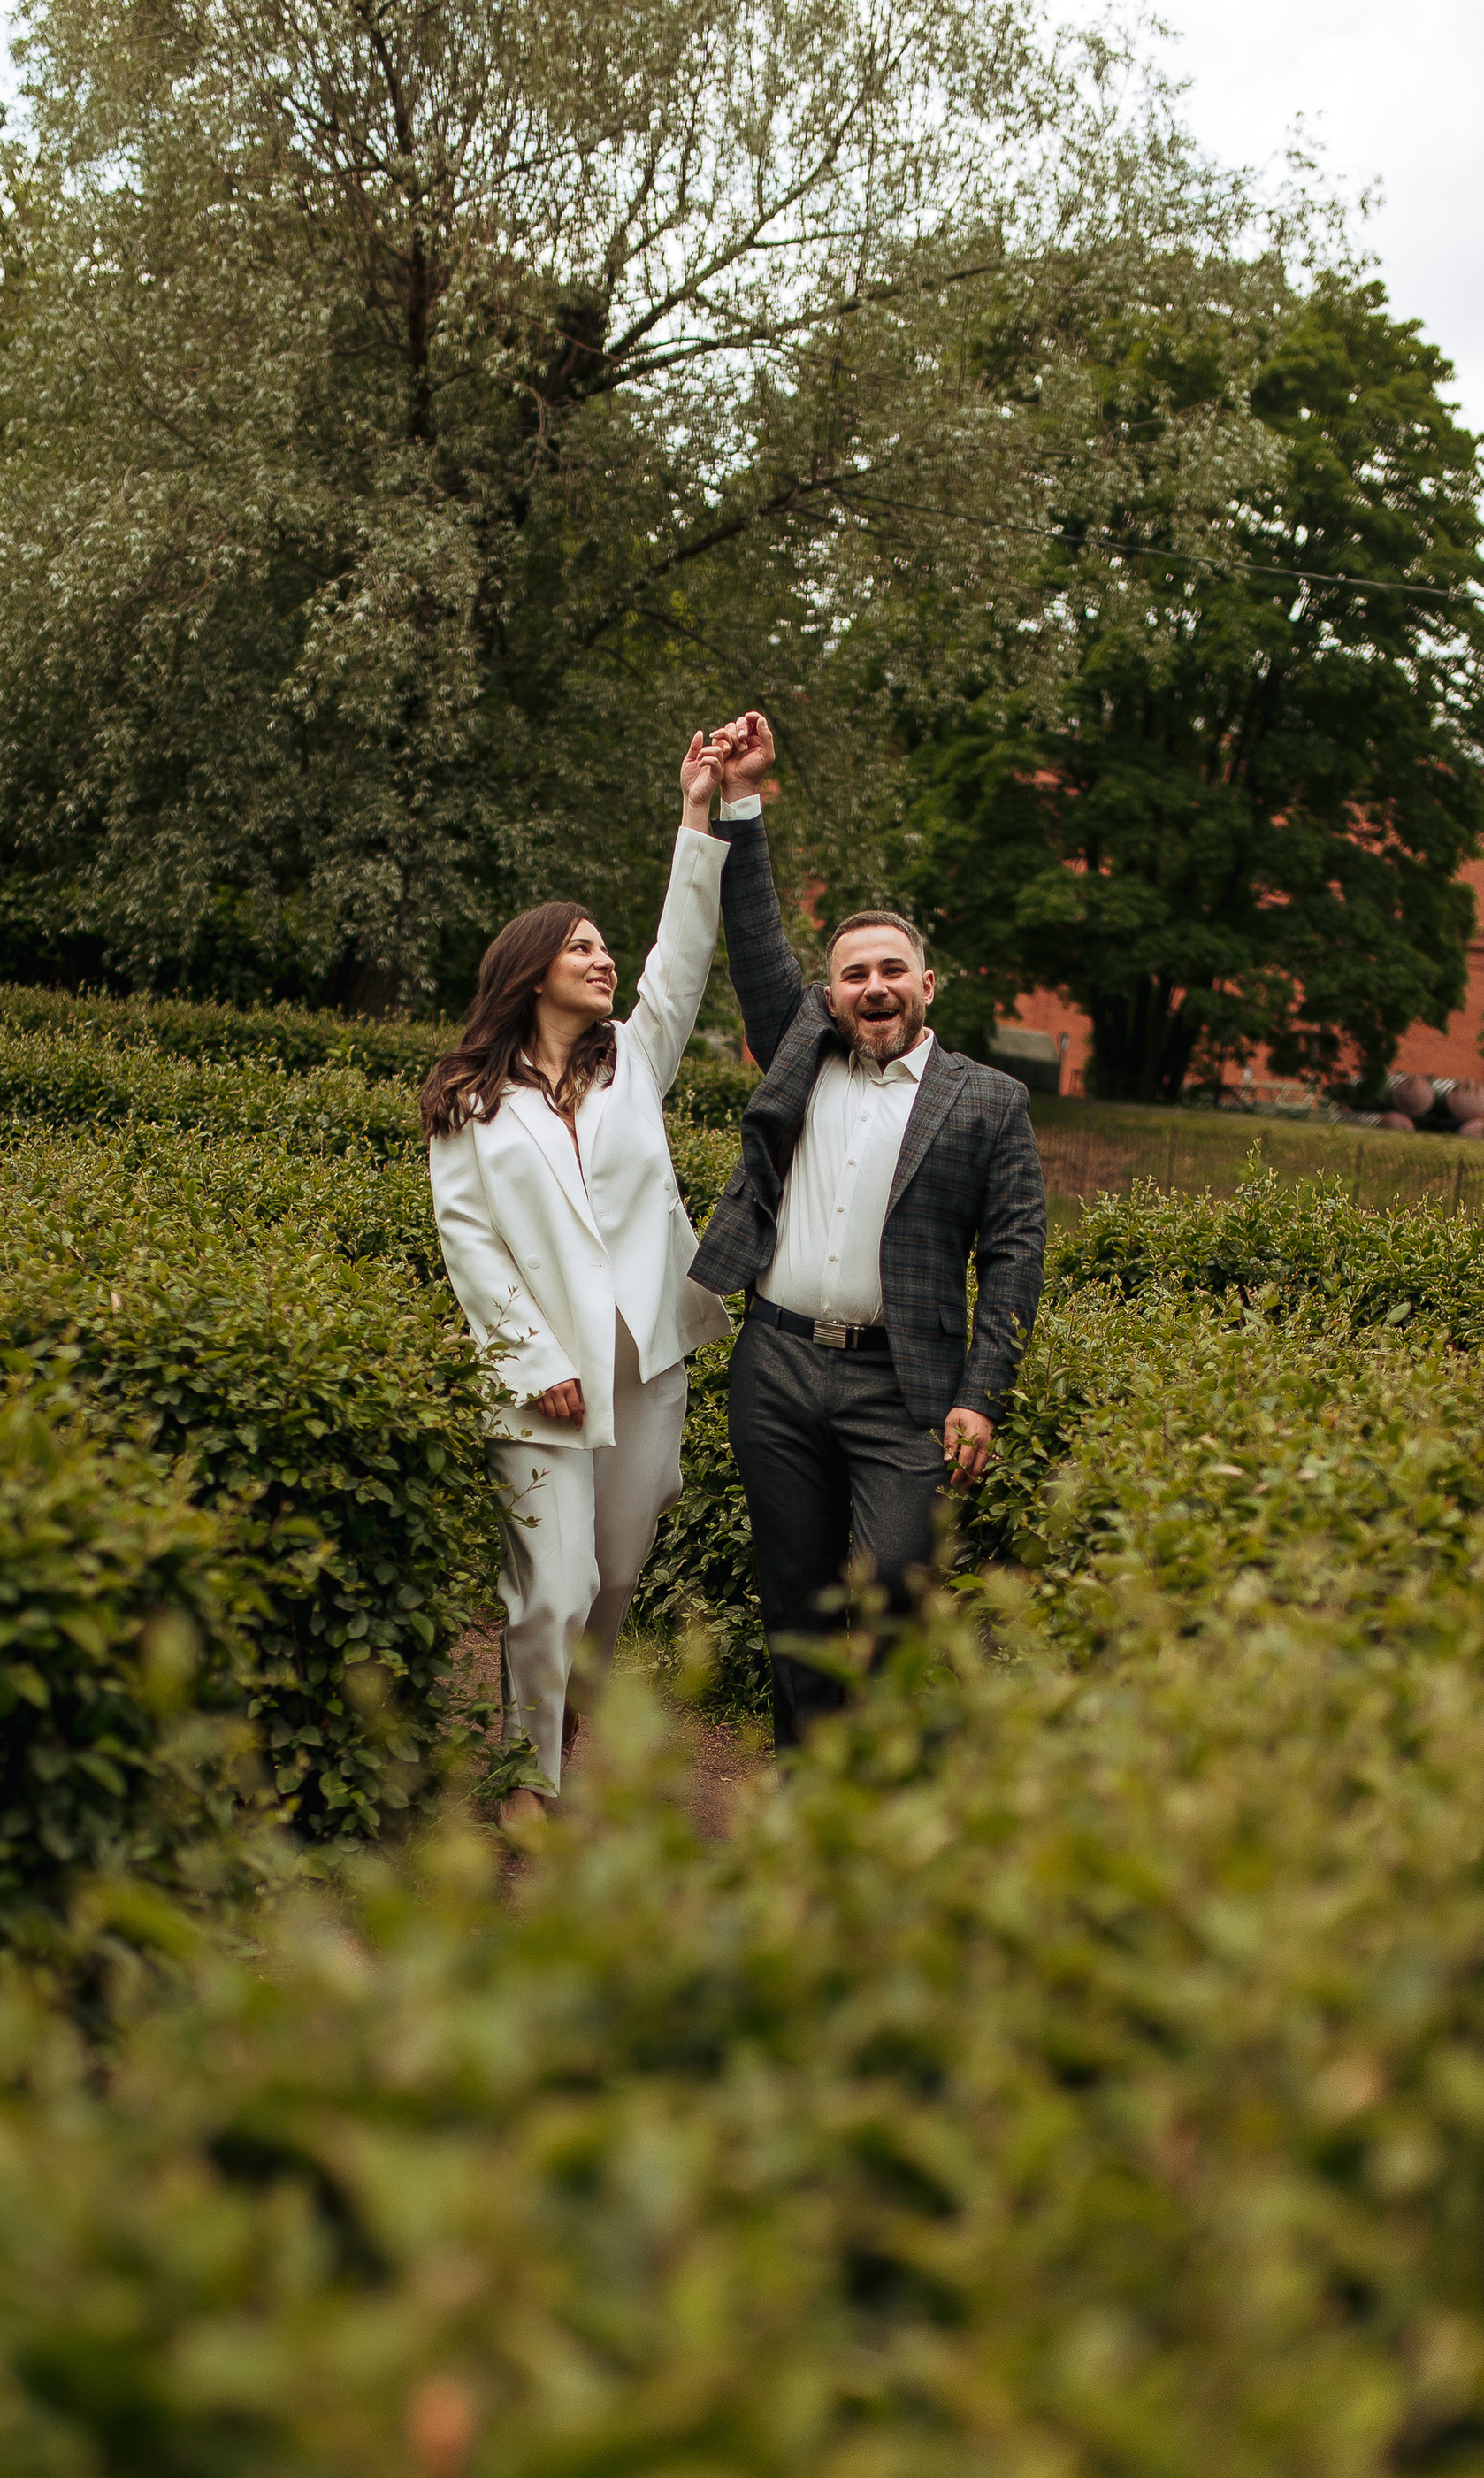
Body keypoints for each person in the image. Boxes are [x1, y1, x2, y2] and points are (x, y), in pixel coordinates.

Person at [692, 711, 1046, 1746]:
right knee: (796, 1603)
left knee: (892, 1588)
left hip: (906, 1389)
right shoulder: (798, 1051)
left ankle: (871, 1773)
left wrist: (984, 1395)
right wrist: (743, 804)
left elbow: (1016, 1255)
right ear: (831, 993)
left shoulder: (988, 1102)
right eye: (853, 975)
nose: (873, 987)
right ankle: (813, 1801)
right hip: (779, 1365)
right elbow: (755, 937)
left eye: (891, 970)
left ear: (927, 985)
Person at [424, 737, 735, 1808]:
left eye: (608, 947)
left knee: (610, 1586)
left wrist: (698, 814)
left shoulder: (634, 1063)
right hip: (542, 1377)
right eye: (583, 949)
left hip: (645, 1362)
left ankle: (557, 1743)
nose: (605, 961)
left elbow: (682, 953)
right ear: (532, 970)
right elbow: (470, 1242)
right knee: (550, 1588)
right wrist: (531, 1359)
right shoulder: (468, 1100)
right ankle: (527, 1790)